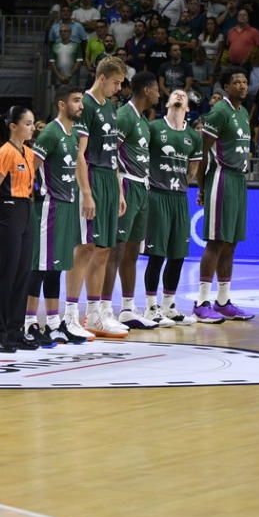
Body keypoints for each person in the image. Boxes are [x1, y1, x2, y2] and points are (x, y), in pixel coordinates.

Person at [66, 56, 127, 340]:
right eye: (116, 82)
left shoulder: (111, 107)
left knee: (104, 249)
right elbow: (79, 154)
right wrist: (87, 192)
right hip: (91, 177)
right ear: (102, 77)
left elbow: (113, 153)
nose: (118, 88)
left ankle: (95, 314)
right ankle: (69, 314)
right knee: (85, 247)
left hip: (109, 178)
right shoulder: (86, 105)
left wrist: (119, 189)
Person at [27, 85, 88, 345]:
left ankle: (53, 323)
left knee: (57, 268)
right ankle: (29, 322)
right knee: (39, 268)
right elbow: (31, 166)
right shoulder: (51, 132)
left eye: (81, 101)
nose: (81, 106)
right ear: (62, 105)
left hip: (67, 206)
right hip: (48, 207)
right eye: (76, 101)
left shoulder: (73, 134)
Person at [195, 67, 256, 322]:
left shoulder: (243, 113)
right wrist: (201, 187)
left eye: (244, 81)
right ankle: (201, 303)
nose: (242, 85)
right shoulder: (219, 111)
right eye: (237, 82)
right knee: (216, 241)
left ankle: (223, 301)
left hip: (239, 180)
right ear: (226, 87)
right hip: (221, 178)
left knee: (231, 242)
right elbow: (202, 152)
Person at [102, 72, 161, 330]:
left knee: (133, 252)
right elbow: (111, 153)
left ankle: (127, 308)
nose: (160, 93)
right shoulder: (125, 116)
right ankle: (102, 308)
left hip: (142, 186)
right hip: (125, 183)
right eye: (157, 88)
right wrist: (119, 190)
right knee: (115, 249)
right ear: (147, 90)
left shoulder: (144, 121)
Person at [143, 89, 203, 325]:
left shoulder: (193, 136)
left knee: (178, 254)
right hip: (157, 195)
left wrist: (186, 182)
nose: (179, 97)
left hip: (179, 197)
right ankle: (150, 307)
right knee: (156, 253)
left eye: (183, 96)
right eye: (175, 95)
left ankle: (169, 306)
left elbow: (194, 167)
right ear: (167, 102)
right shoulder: (154, 128)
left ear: (188, 107)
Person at [0, 106, 41, 352]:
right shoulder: (5, 152)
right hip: (7, 211)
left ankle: (15, 331)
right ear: (13, 126)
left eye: (32, 123)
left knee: (23, 273)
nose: (31, 127)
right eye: (27, 123)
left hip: (26, 210)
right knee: (6, 274)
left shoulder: (28, 153)